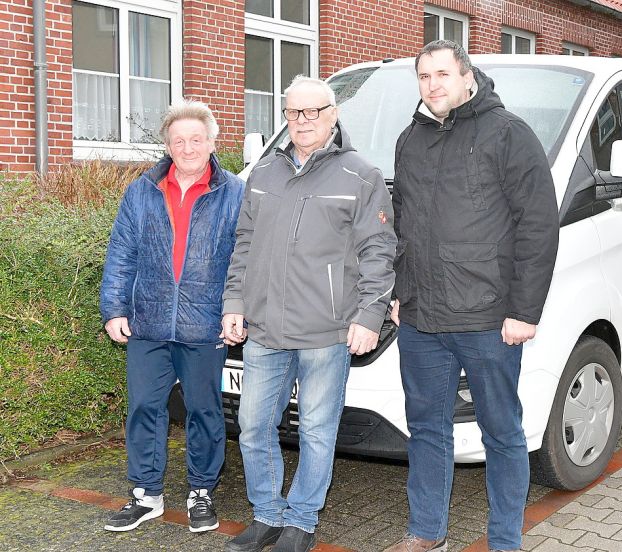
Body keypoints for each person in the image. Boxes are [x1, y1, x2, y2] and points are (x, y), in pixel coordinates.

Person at [385, 41, 560, 552]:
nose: (433, 84)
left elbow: (538, 226)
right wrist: (399, 292)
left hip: (488, 318)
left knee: (502, 432)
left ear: (467, 76)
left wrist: (524, 311)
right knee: (426, 429)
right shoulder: (409, 140)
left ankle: (505, 540)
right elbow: (402, 223)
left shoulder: (509, 133)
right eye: (424, 76)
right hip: (421, 319)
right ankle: (426, 534)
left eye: (442, 74)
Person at [221, 75, 397, 552]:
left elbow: (379, 252)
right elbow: (243, 246)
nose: (301, 121)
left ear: (333, 114)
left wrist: (369, 314)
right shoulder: (263, 172)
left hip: (326, 331)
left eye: (311, 111)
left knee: (318, 432)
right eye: (292, 113)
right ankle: (267, 516)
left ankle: (300, 523)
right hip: (264, 330)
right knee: (254, 427)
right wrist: (234, 303)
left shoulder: (361, 175)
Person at [99, 98, 244, 533]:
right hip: (149, 321)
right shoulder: (141, 191)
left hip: (206, 324)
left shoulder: (234, 192)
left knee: (204, 410)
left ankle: (201, 490)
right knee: (144, 406)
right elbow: (121, 252)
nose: (187, 147)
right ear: (167, 144)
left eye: (196, 139)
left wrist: (238, 310)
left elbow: (245, 259)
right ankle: (146, 495)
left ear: (212, 141)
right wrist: (114, 308)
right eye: (178, 140)